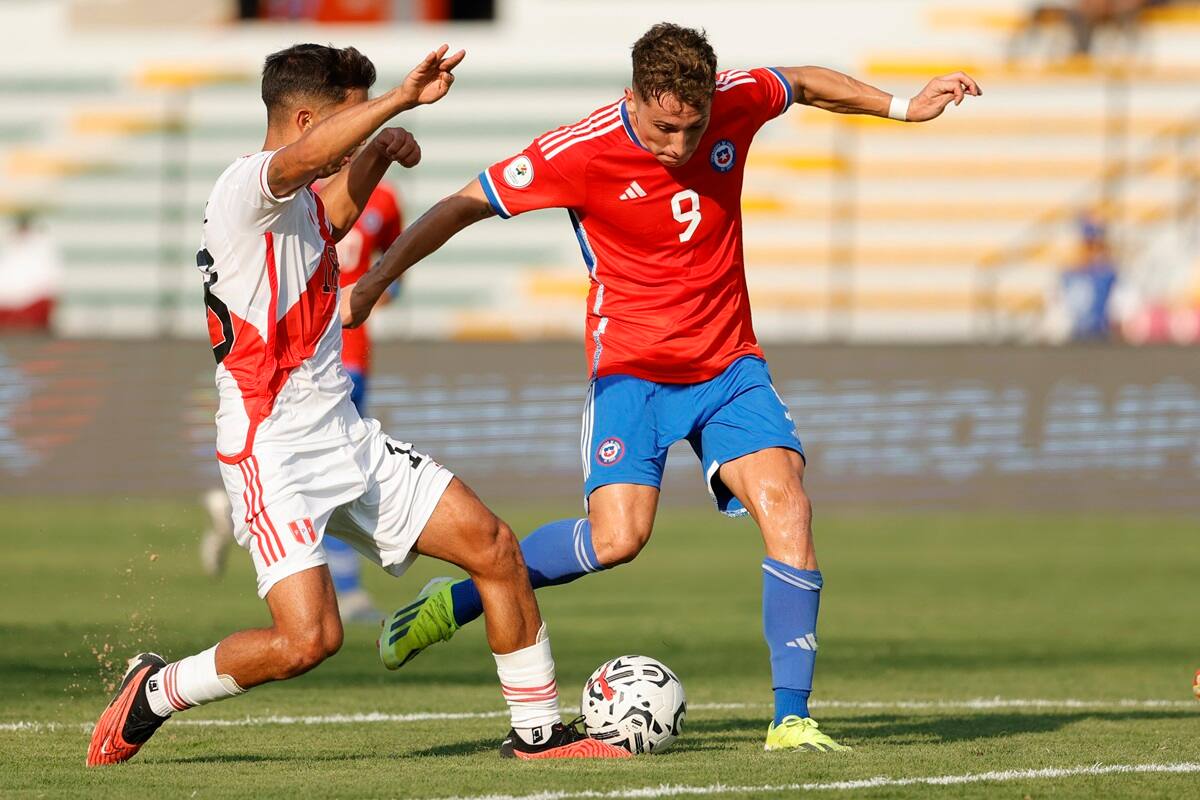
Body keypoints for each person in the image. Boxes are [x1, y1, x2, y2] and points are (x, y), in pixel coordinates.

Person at [345, 23, 980, 753]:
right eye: (664, 128)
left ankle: (791, 719)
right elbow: (463, 204)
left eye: (693, 127)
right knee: (619, 540)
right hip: (632, 373)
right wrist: (373, 282)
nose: (680, 146)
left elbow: (803, 81)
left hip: (730, 367)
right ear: (634, 98)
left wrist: (905, 107)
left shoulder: (735, 98)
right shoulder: (576, 151)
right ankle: (458, 597)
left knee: (790, 509)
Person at [87, 42, 628, 767]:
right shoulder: (246, 184)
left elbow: (333, 217)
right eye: (349, 119)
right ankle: (157, 691)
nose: (356, 131)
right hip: (271, 448)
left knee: (494, 548)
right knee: (308, 641)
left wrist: (375, 156)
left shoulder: (302, 204)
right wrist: (400, 101)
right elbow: (300, 165)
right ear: (307, 120)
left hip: (344, 436)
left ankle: (538, 736)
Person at [199, 181, 404, 624]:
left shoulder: (383, 198)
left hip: (351, 350)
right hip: (304, 353)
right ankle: (347, 591)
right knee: (334, 469)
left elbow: (396, 264)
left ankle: (236, 511)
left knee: (328, 468)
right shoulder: (298, 192)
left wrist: (378, 288)